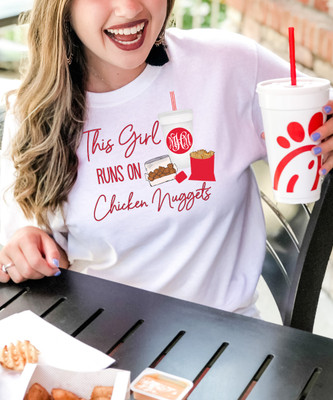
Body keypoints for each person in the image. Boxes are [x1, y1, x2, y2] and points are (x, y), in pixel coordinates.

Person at [0, 0, 332, 317]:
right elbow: (24, 245)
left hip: (225, 343)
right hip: (94, 342)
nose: (130, 9)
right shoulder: (34, 110)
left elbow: (311, 112)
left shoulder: (226, 66)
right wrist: (26, 248)